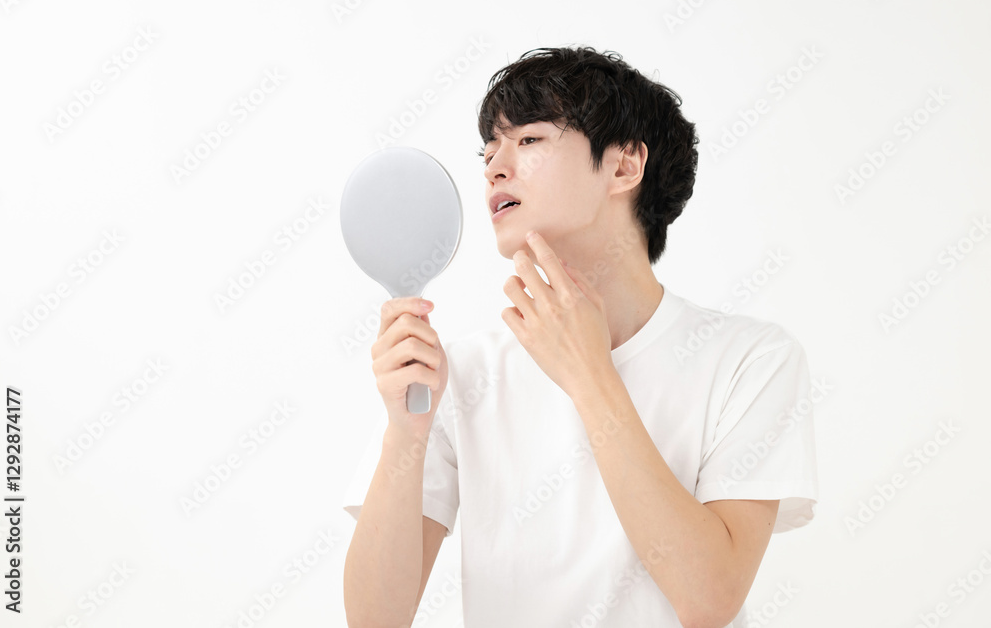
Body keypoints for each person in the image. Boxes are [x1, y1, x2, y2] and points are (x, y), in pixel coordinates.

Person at [343, 46, 818, 628]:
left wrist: (589, 376)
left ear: (624, 166)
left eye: (529, 139)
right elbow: (375, 619)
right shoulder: (458, 375)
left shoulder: (750, 360)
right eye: (489, 150)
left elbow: (709, 600)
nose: (494, 167)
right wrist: (405, 433)